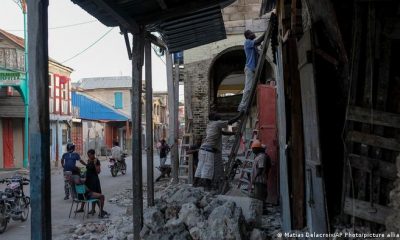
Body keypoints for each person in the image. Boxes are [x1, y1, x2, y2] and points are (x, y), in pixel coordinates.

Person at [195, 112, 241, 190]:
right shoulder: (217, 123)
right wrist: (240, 115)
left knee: (200, 168)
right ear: (213, 118)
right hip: (208, 150)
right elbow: (230, 122)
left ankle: (195, 184)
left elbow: (223, 132)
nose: (218, 115)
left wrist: (233, 133)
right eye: (216, 114)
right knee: (208, 170)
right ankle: (207, 188)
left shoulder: (210, 125)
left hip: (203, 149)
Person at [237, 30, 265, 113]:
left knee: (257, 88)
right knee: (248, 88)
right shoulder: (248, 42)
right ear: (248, 36)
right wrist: (265, 33)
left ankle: (249, 106)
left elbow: (258, 44)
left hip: (253, 69)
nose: (253, 33)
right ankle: (241, 106)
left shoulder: (253, 44)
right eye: (251, 33)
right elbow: (258, 41)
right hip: (249, 68)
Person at [250, 140, 272, 208]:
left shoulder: (261, 157)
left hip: (260, 180)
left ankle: (262, 210)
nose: (252, 150)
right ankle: (262, 209)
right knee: (258, 195)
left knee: (260, 196)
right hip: (258, 180)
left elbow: (260, 168)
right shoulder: (258, 156)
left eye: (253, 149)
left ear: (257, 149)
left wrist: (254, 177)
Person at [84, 149, 102, 215]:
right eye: (88, 155)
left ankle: (100, 210)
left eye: (89, 155)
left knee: (96, 195)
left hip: (94, 180)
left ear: (93, 154)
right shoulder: (89, 160)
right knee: (91, 195)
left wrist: (94, 164)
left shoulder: (96, 161)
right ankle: (93, 209)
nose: (88, 156)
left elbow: (98, 171)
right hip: (89, 180)